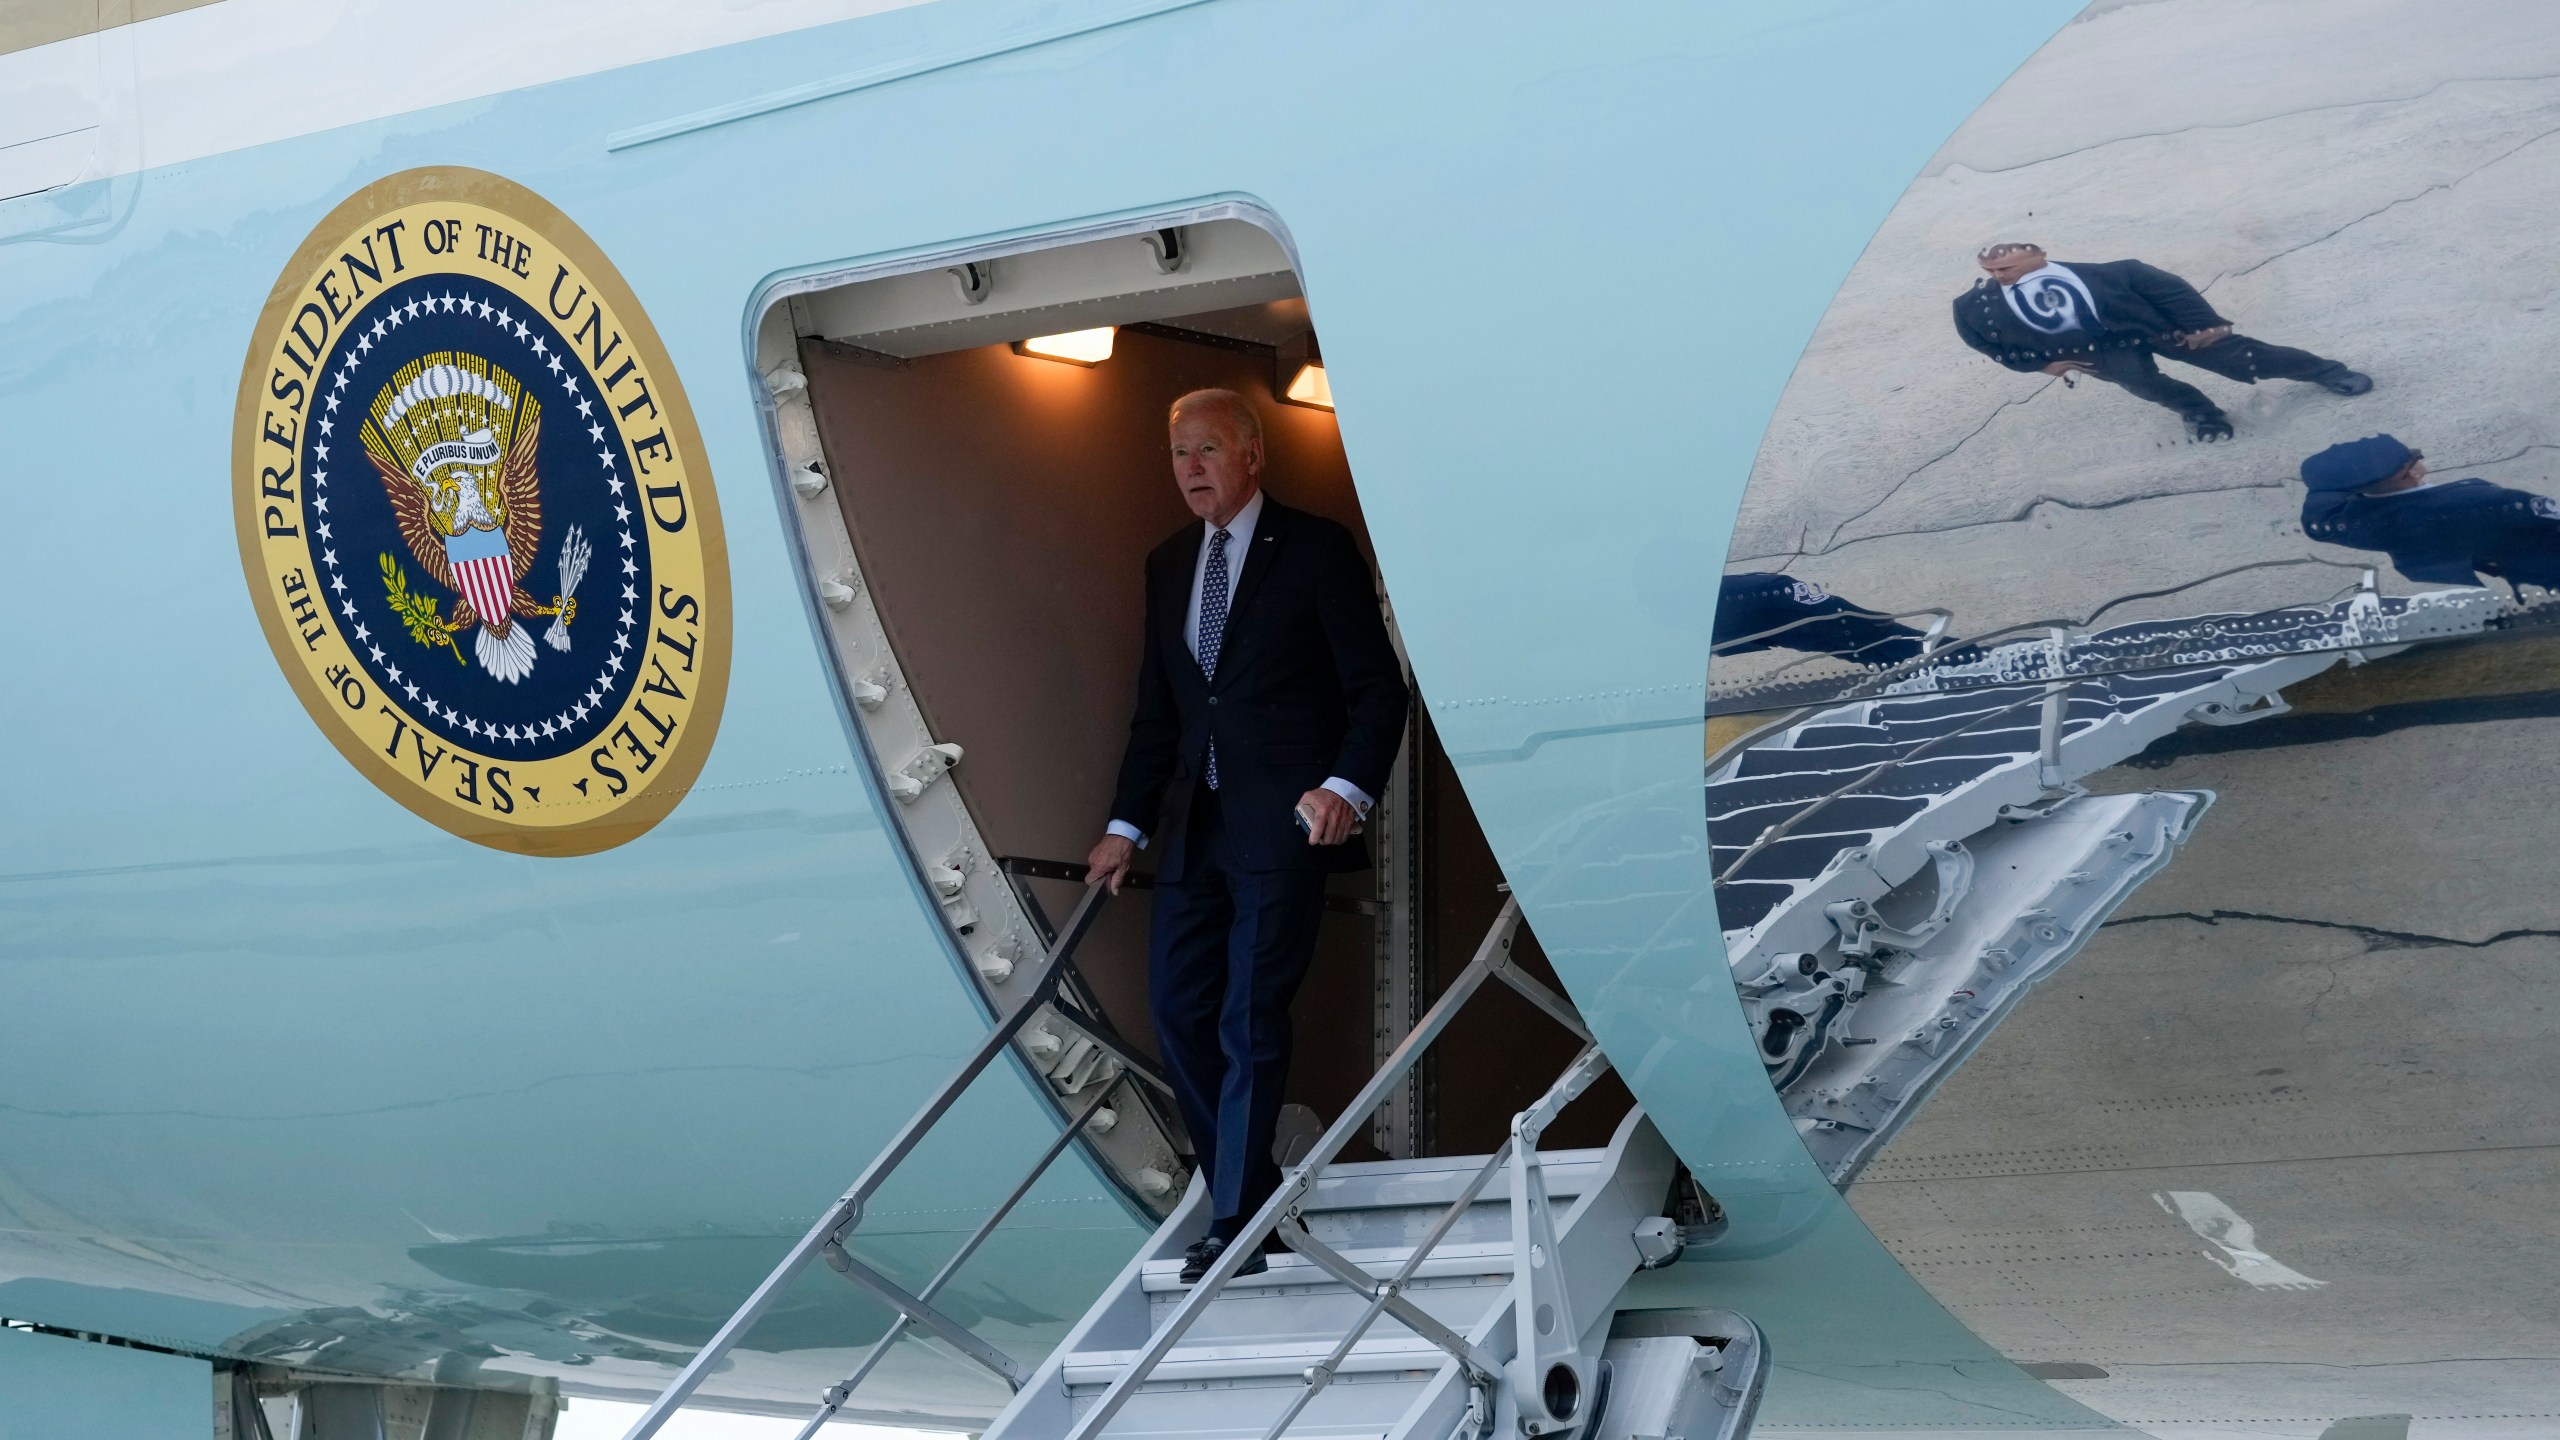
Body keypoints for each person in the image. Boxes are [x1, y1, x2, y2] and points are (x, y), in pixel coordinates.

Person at [1085, 388, 1407, 1284]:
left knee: (1246, 1014)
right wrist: (1124, 825)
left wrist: (1345, 786)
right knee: (1179, 1010)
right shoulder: (1165, 563)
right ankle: (1254, 1189)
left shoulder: (1314, 548)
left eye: (1207, 451)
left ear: (1253, 455)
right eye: (1178, 454)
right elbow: (1162, 712)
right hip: (1194, 829)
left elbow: (1378, 690)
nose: (1190, 469)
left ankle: (1236, 1219)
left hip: (1285, 826)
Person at [1954, 242, 2371, 442]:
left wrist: (2204, 324)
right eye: (1992, 271)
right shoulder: (1972, 307)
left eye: (2007, 267)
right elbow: (1986, 343)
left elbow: (2173, 293)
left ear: (2038, 255)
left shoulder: (2117, 272)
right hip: (2100, 354)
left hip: (2160, 327)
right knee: (2146, 385)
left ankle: (2327, 372)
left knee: (2243, 359)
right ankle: (2200, 413)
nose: (2000, 276)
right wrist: (2039, 365)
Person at [2299, 433, 2560, 588]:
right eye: (2414, 457)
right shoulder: (2479, 498)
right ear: (2412, 473)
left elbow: (2318, 509)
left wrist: (2346, 477)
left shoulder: (2337, 523)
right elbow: (2547, 514)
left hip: (2456, 559)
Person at [1714, 572, 1929, 666]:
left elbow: (1778, 587)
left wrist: (1865, 619)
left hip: (1794, 613)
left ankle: (1955, 655)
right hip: (1779, 630)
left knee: (1881, 638)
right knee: (1855, 648)